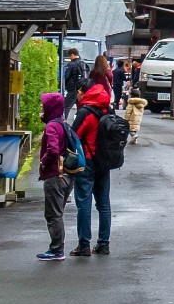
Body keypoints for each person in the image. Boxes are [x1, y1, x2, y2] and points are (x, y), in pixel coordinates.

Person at [71, 78, 115, 255]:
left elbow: (73, 137)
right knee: (104, 204)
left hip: (87, 162)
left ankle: (84, 245)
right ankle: (103, 243)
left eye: (78, 92)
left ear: (83, 91)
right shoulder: (108, 109)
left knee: (84, 203)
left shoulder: (86, 112)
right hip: (105, 161)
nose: (77, 96)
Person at [35, 91, 74, 261]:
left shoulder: (51, 126)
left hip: (54, 175)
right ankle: (57, 248)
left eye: (44, 105)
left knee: (53, 214)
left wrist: (43, 161)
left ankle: (57, 249)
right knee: (58, 212)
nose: (42, 108)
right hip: (67, 174)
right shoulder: (63, 123)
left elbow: (53, 149)